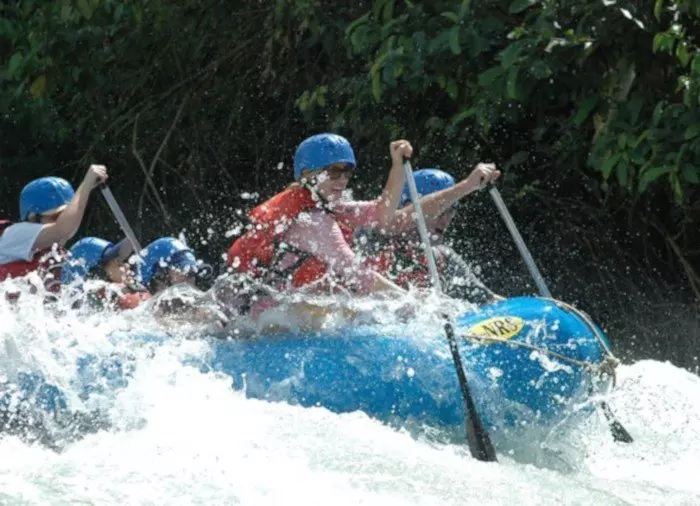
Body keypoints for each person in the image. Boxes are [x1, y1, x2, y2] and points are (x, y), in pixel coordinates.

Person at [226, 133, 411, 299]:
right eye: (334, 171)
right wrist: (411, 303)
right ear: (308, 175)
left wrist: (398, 167)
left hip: (271, 307)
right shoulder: (312, 221)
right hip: (255, 313)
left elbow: (380, 212)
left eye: (347, 172)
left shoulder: (323, 206)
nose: (343, 179)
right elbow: (357, 274)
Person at [357, 165, 503, 305]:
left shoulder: (443, 257)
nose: (445, 220)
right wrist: (467, 185)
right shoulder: (372, 238)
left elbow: (490, 300)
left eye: (451, 211)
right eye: (440, 209)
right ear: (408, 206)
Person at [0, 165, 108, 296]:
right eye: (57, 217)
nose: (68, 220)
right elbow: (63, 230)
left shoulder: (54, 253)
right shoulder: (15, 233)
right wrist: (86, 184)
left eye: (66, 215)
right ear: (33, 217)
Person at [61, 236, 152, 310]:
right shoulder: (118, 298)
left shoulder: (128, 291)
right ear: (98, 273)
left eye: (123, 261)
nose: (127, 265)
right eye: (119, 263)